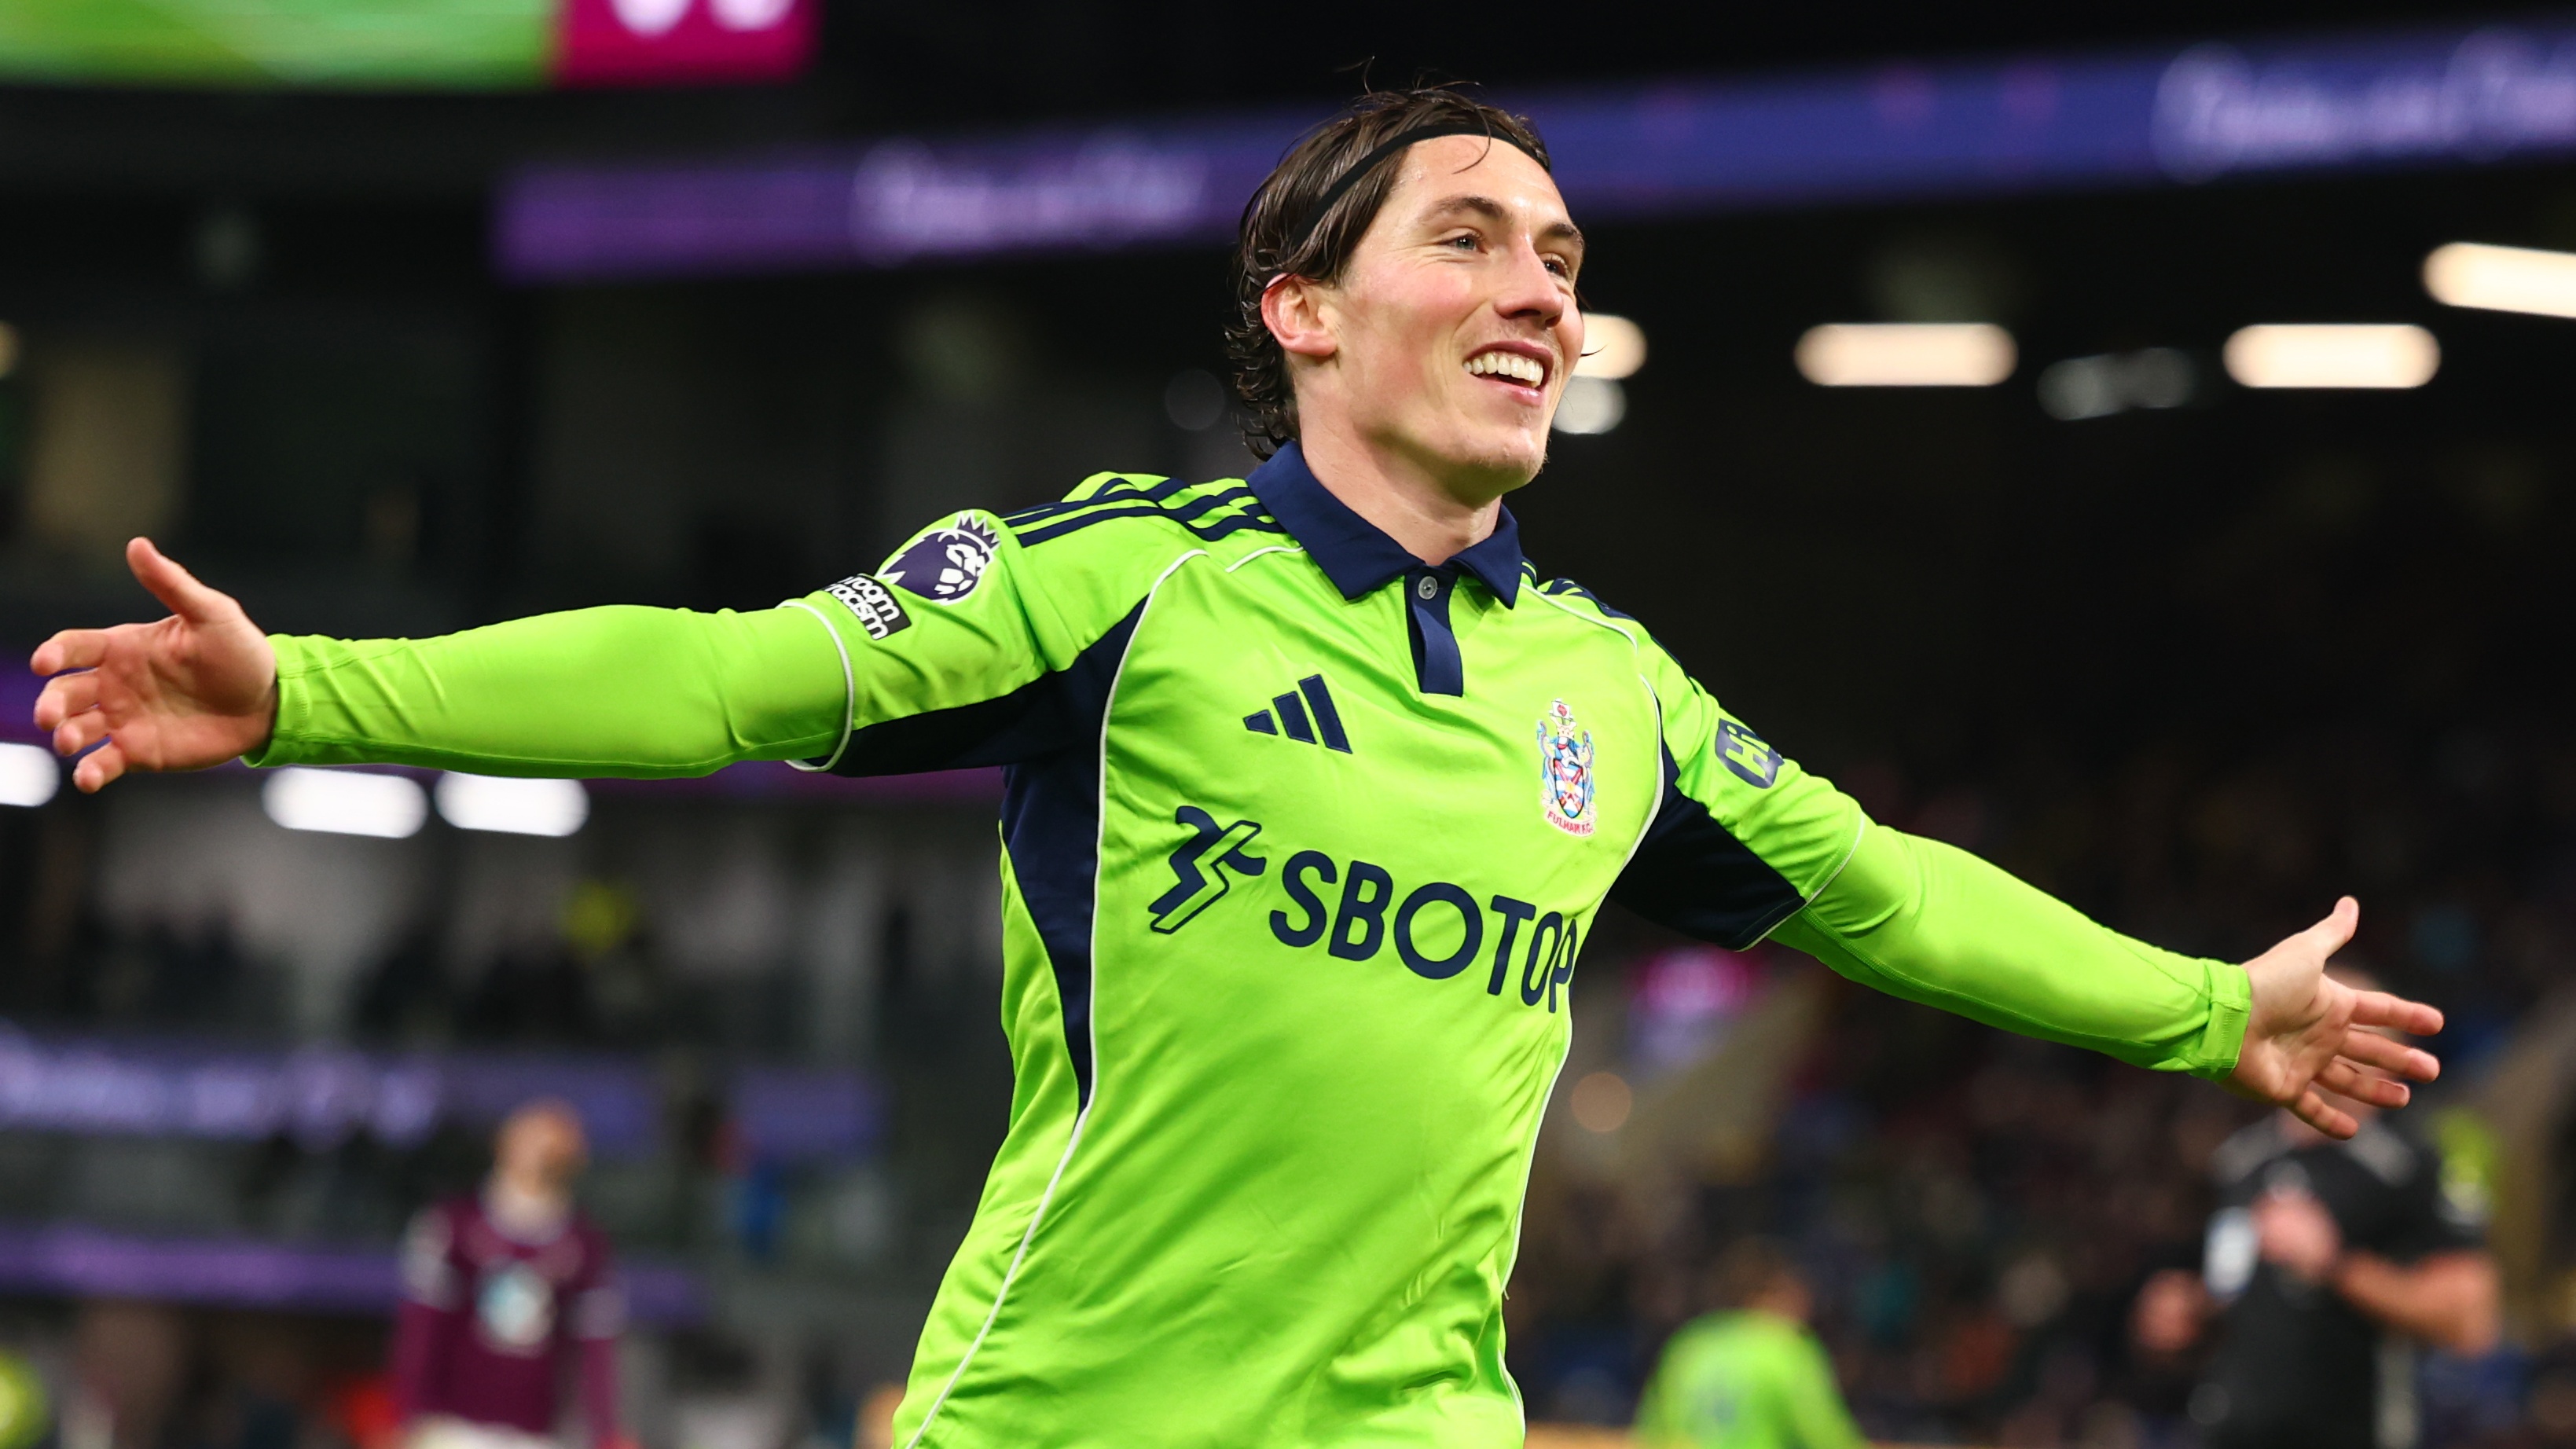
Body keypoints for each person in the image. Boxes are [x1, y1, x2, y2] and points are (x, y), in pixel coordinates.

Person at [31, 88, 2444, 1449]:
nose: (1540, 285)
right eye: (1474, 235)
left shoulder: (1615, 689)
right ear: (1305, 309)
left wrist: (2199, 1005)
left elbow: (1891, 894)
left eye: (1565, 254)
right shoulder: (1118, 584)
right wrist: (318, 687)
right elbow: (735, 676)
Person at [2133, 973, 2497, 1449]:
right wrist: (2186, 1315)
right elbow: (2233, 1302)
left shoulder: (2407, 1163)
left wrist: (2335, 1265)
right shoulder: (2240, 1161)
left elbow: (2469, 1322)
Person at [391, 1101, 624, 1449]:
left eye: (555, 1147)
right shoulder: (454, 1225)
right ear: (505, 1144)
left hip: (536, 1432)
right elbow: (423, 1328)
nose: (542, 1156)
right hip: (454, 1428)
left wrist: (606, 1431)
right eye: (532, 1141)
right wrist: (409, 1412)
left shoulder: (585, 1244)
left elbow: (596, 1347)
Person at [1635, 1241, 1863, 1449]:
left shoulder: (1689, 1344)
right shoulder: (1784, 1347)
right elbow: (1825, 1437)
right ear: (1774, 1292)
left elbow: (1654, 1433)